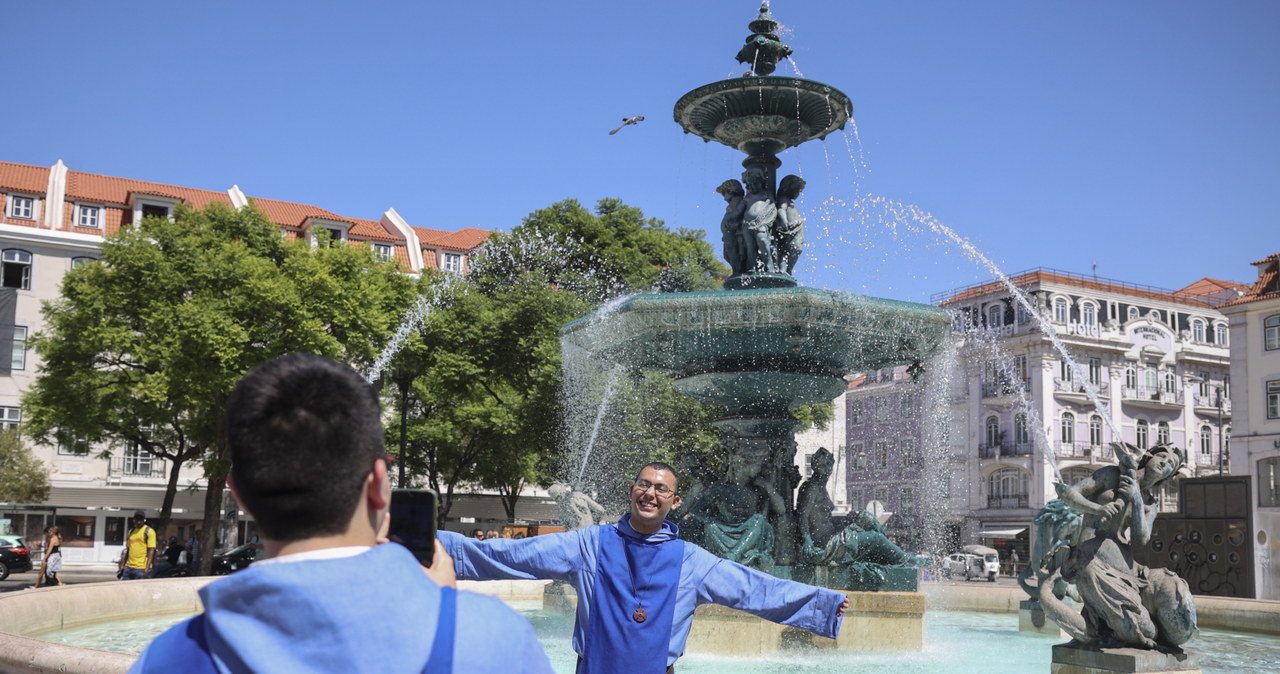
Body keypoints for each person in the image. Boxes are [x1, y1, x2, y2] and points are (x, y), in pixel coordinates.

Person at [130, 353, 552, 673]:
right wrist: (442, 605)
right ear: (379, 485)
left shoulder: (170, 658)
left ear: (238, 493)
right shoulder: (494, 639)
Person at [440, 461, 849, 674]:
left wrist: (822, 603)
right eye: (644, 485)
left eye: (661, 489)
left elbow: (754, 588)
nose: (650, 493)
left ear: (675, 500)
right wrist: (428, 544)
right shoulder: (589, 543)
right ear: (631, 490)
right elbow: (512, 556)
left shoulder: (690, 560)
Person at [119, 510, 156, 580]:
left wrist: (147, 568)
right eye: (136, 519)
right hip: (128, 567)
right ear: (134, 520)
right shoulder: (131, 531)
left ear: (144, 520)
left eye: (141, 519)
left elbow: (151, 550)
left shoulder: (149, 531)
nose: (138, 521)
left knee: (139, 590)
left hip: (141, 568)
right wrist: (123, 565)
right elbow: (128, 549)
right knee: (125, 589)